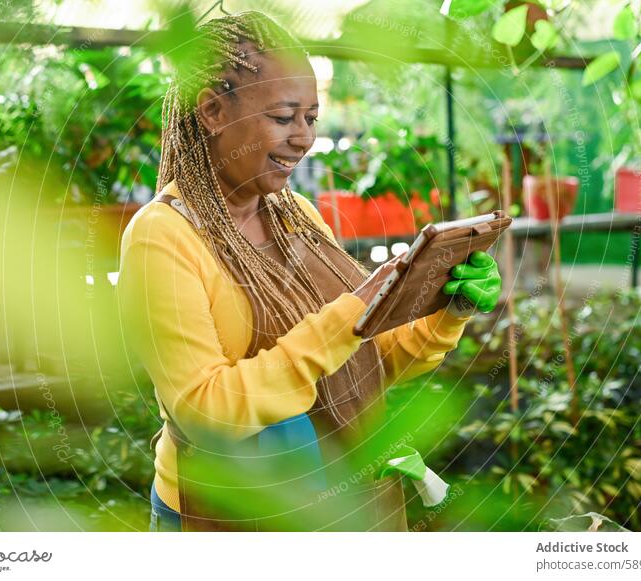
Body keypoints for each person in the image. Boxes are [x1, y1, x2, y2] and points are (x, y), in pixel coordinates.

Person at [117, 10, 502, 532]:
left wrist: (443, 312)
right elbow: (205, 411)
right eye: (283, 117)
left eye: (312, 118)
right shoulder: (163, 235)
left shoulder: (298, 215)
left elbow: (367, 366)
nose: (304, 138)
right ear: (211, 110)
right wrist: (347, 317)